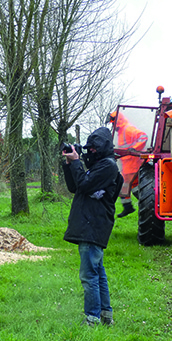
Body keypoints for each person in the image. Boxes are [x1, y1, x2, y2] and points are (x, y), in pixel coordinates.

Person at [62, 127, 123, 326]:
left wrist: (78, 162)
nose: (91, 153)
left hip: (93, 225)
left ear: (103, 148)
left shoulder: (107, 166)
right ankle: (105, 316)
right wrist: (70, 163)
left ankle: (92, 318)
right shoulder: (102, 165)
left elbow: (85, 184)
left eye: (94, 149)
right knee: (98, 273)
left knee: (89, 275)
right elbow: (75, 187)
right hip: (91, 225)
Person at [109, 111, 148, 217]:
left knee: (125, 186)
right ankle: (142, 205)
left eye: (113, 123)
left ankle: (137, 206)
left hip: (133, 165)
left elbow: (143, 137)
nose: (112, 126)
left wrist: (135, 148)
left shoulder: (127, 129)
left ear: (117, 121)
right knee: (130, 187)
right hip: (129, 166)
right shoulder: (122, 132)